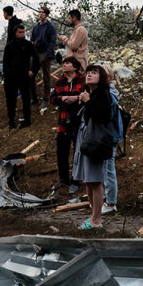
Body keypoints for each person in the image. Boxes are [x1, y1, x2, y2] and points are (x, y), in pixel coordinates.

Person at [72, 64, 113, 230]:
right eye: (88, 72)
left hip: (96, 142)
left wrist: (88, 102)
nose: (89, 75)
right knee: (88, 181)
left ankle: (97, 220)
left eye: (94, 72)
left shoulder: (103, 94)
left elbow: (102, 117)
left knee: (95, 181)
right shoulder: (91, 94)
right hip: (86, 140)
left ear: (101, 77)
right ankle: (93, 216)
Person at [49, 56, 86, 192]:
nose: (64, 65)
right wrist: (62, 98)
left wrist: (75, 98)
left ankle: (76, 180)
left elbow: (87, 95)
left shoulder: (82, 80)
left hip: (78, 122)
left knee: (78, 152)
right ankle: (63, 179)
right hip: (63, 121)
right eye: (63, 63)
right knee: (61, 153)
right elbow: (52, 98)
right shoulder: (60, 81)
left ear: (75, 66)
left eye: (67, 63)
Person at [2, 24, 39, 129]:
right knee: (11, 99)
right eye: (20, 32)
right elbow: (5, 62)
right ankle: (11, 120)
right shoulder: (9, 46)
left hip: (24, 75)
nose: (22, 34)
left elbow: (36, 59)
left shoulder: (28, 45)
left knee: (26, 98)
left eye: (23, 32)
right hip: (11, 76)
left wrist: (33, 71)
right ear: (15, 33)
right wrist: (5, 75)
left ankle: (27, 120)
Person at [31, 6, 57, 110]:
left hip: (45, 53)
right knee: (31, 74)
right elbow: (32, 39)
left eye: (42, 12)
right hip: (36, 53)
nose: (40, 14)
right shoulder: (36, 27)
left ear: (46, 14)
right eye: (39, 12)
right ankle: (34, 98)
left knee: (46, 77)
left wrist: (48, 54)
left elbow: (52, 41)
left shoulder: (50, 27)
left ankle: (45, 99)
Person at [102, 65, 120, 215]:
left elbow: (106, 114)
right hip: (104, 136)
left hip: (109, 136)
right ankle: (103, 198)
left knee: (108, 169)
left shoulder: (110, 94)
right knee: (103, 169)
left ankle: (110, 202)